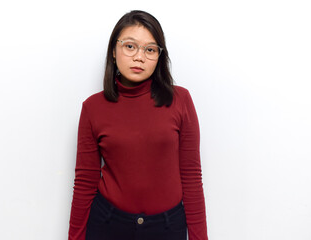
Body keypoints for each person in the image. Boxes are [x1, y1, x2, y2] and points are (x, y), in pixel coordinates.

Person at [68, 10, 208, 240]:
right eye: (130, 46)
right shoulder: (92, 107)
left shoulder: (180, 101)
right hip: (108, 225)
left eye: (150, 49)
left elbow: (192, 177)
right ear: (114, 51)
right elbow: (84, 183)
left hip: (167, 227)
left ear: (159, 57)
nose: (139, 57)